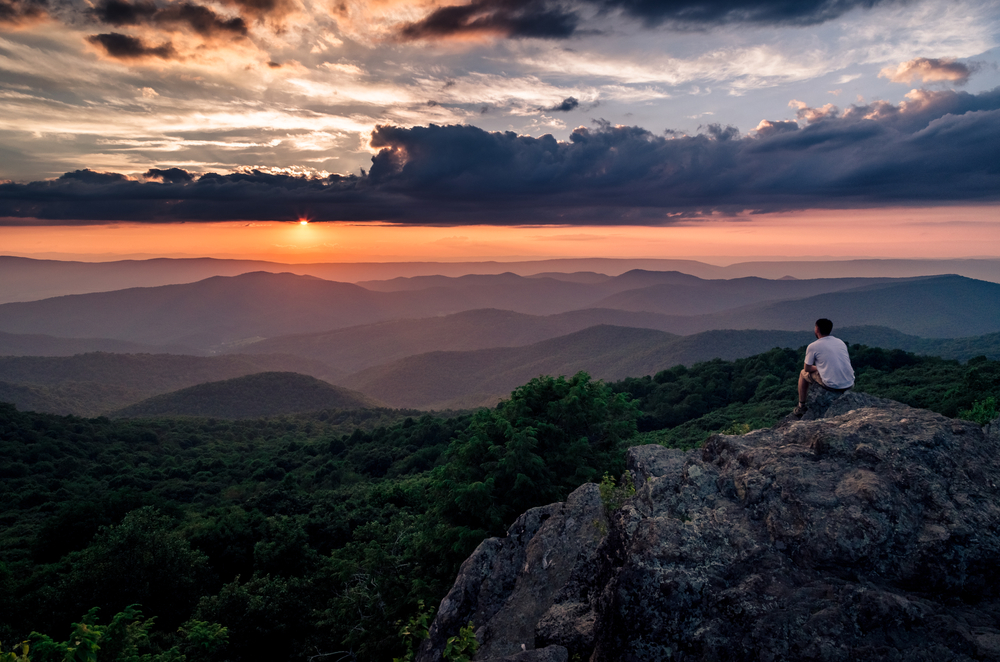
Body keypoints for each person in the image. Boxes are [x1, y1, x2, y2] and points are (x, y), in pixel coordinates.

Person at [794, 318, 854, 417]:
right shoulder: (840, 342)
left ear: (817, 329)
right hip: (850, 383)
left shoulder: (813, 346)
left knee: (802, 373)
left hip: (832, 385)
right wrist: (823, 367)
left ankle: (801, 406)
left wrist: (819, 368)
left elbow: (807, 369)